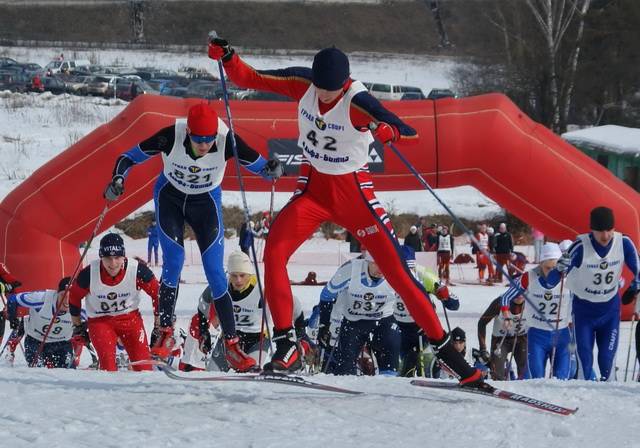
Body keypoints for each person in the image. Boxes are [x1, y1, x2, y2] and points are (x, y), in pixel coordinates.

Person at [208, 39, 483, 386]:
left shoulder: (357, 102)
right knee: (273, 253)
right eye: (320, 88)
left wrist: (389, 131)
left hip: (352, 195)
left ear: (345, 83)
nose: (324, 96)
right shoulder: (302, 84)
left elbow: (409, 132)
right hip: (314, 192)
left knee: (398, 273)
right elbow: (249, 77)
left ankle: (452, 358)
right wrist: (228, 57)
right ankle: (287, 345)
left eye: (331, 90)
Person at [103, 102, 283, 372]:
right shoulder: (170, 135)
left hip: (206, 203)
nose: (205, 145)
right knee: (173, 262)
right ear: (188, 132)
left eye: (209, 140)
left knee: (215, 272)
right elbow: (128, 157)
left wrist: (272, 169)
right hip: (170, 198)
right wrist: (118, 178)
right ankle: (164, 330)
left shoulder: (227, 140)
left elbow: (259, 165)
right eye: (199, 140)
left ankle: (232, 345)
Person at [183, 251, 312, 371]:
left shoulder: (263, 287)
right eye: (234, 275)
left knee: (250, 374)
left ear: (249, 274)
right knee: (213, 374)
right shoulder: (222, 286)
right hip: (229, 339)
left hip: (258, 340)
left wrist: (300, 331)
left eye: (242, 275)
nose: (238, 280)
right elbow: (203, 304)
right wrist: (204, 329)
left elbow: (292, 303)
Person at [552, 206, 640, 380]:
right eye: (600, 231)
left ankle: (608, 404)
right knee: (585, 362)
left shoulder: (623, 243)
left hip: (610, 312)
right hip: (584, 312)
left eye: (609, 230)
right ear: (592, 229)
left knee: (607, 363)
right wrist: (559, 267)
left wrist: (634, 286)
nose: (605, 236)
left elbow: (638, 270)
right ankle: (585, 403)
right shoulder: (580, 246)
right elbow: (553, 280)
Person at [67, 233, 159, 372]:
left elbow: (158, 294)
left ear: (124, 256)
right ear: (101, 257)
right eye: (108, 258)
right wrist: (78, 327)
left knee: (143, 366)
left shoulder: (137, 270)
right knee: (108, 367)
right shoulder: (89, 274)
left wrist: (159, 323)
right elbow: (74, 297)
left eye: (117, 257)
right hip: (100, 321)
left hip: (130, 319)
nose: (113, 263)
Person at [318, 251, 400, 375]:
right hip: (354, 321)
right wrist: (324, 324)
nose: (381, 269)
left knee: (391, 349)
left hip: (383, 320)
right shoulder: (350, 270)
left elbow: (414, 297)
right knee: (345, 367)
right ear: (367, 261)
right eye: (376, 264)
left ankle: (389, 383)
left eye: (385, 265)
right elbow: (326, 296)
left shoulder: (397, 272)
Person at [501, 243, 572, 379]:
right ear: (540, 264)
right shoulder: (529, 277)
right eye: (547, 268)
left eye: (554, 268)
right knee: (536, 379)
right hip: (537, 336)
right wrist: (506, 316)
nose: (552, 272)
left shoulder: (567, 277)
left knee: (562, 379)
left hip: (562, 335)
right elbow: (505, 297)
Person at [394, 245, 459, 377]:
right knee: (404, 366)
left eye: (410, 268)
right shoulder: (388, 274)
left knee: (428, 364)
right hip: (399, 326)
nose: (407, 272)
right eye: (403, 268)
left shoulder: (425, 276)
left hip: (423, 326)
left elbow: (455, 304)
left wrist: (445, 297)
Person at [6, 277, 74, 368]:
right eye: (63, 296)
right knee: (39, 370)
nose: (66, 301)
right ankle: (12, 345)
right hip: (36, 341)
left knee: (68, 373)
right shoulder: (42, 298)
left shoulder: (82, 305)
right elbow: (13, 300)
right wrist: (12, 318)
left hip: (62, 344)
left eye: (71, 297)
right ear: (57, 293)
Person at [477, 296, 528, 380]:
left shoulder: (531, 301)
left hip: (522, 338)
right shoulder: (499, 302)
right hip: (500, 340)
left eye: (522, 291)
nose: (519, 296)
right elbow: (482, 323)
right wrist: (483, 349)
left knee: (525, 373)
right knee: (497, 375)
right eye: (516, 292)